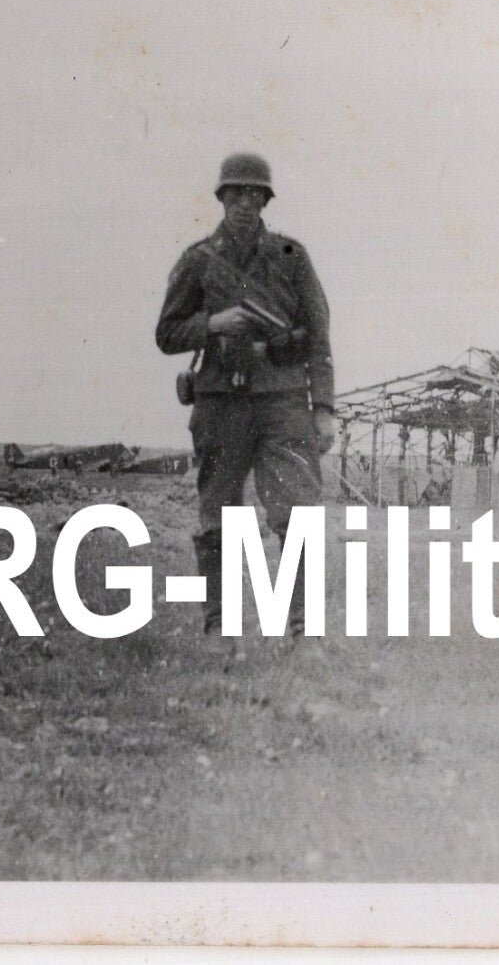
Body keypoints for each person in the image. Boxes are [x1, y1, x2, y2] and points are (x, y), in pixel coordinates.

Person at [157, 153, 337, 659]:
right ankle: (220, 629)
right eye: (234, 194)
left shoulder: (290, 256)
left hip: (282, 403)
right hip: (219, 404)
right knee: (218, 517)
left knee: (297, 515)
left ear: (265, 200)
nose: (243, 203)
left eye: (253, 194)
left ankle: (305, 634)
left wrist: (323, 407)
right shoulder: (197, 260)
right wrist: (213, 325)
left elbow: (319, 335)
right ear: (220, 198)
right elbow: (166, 333)